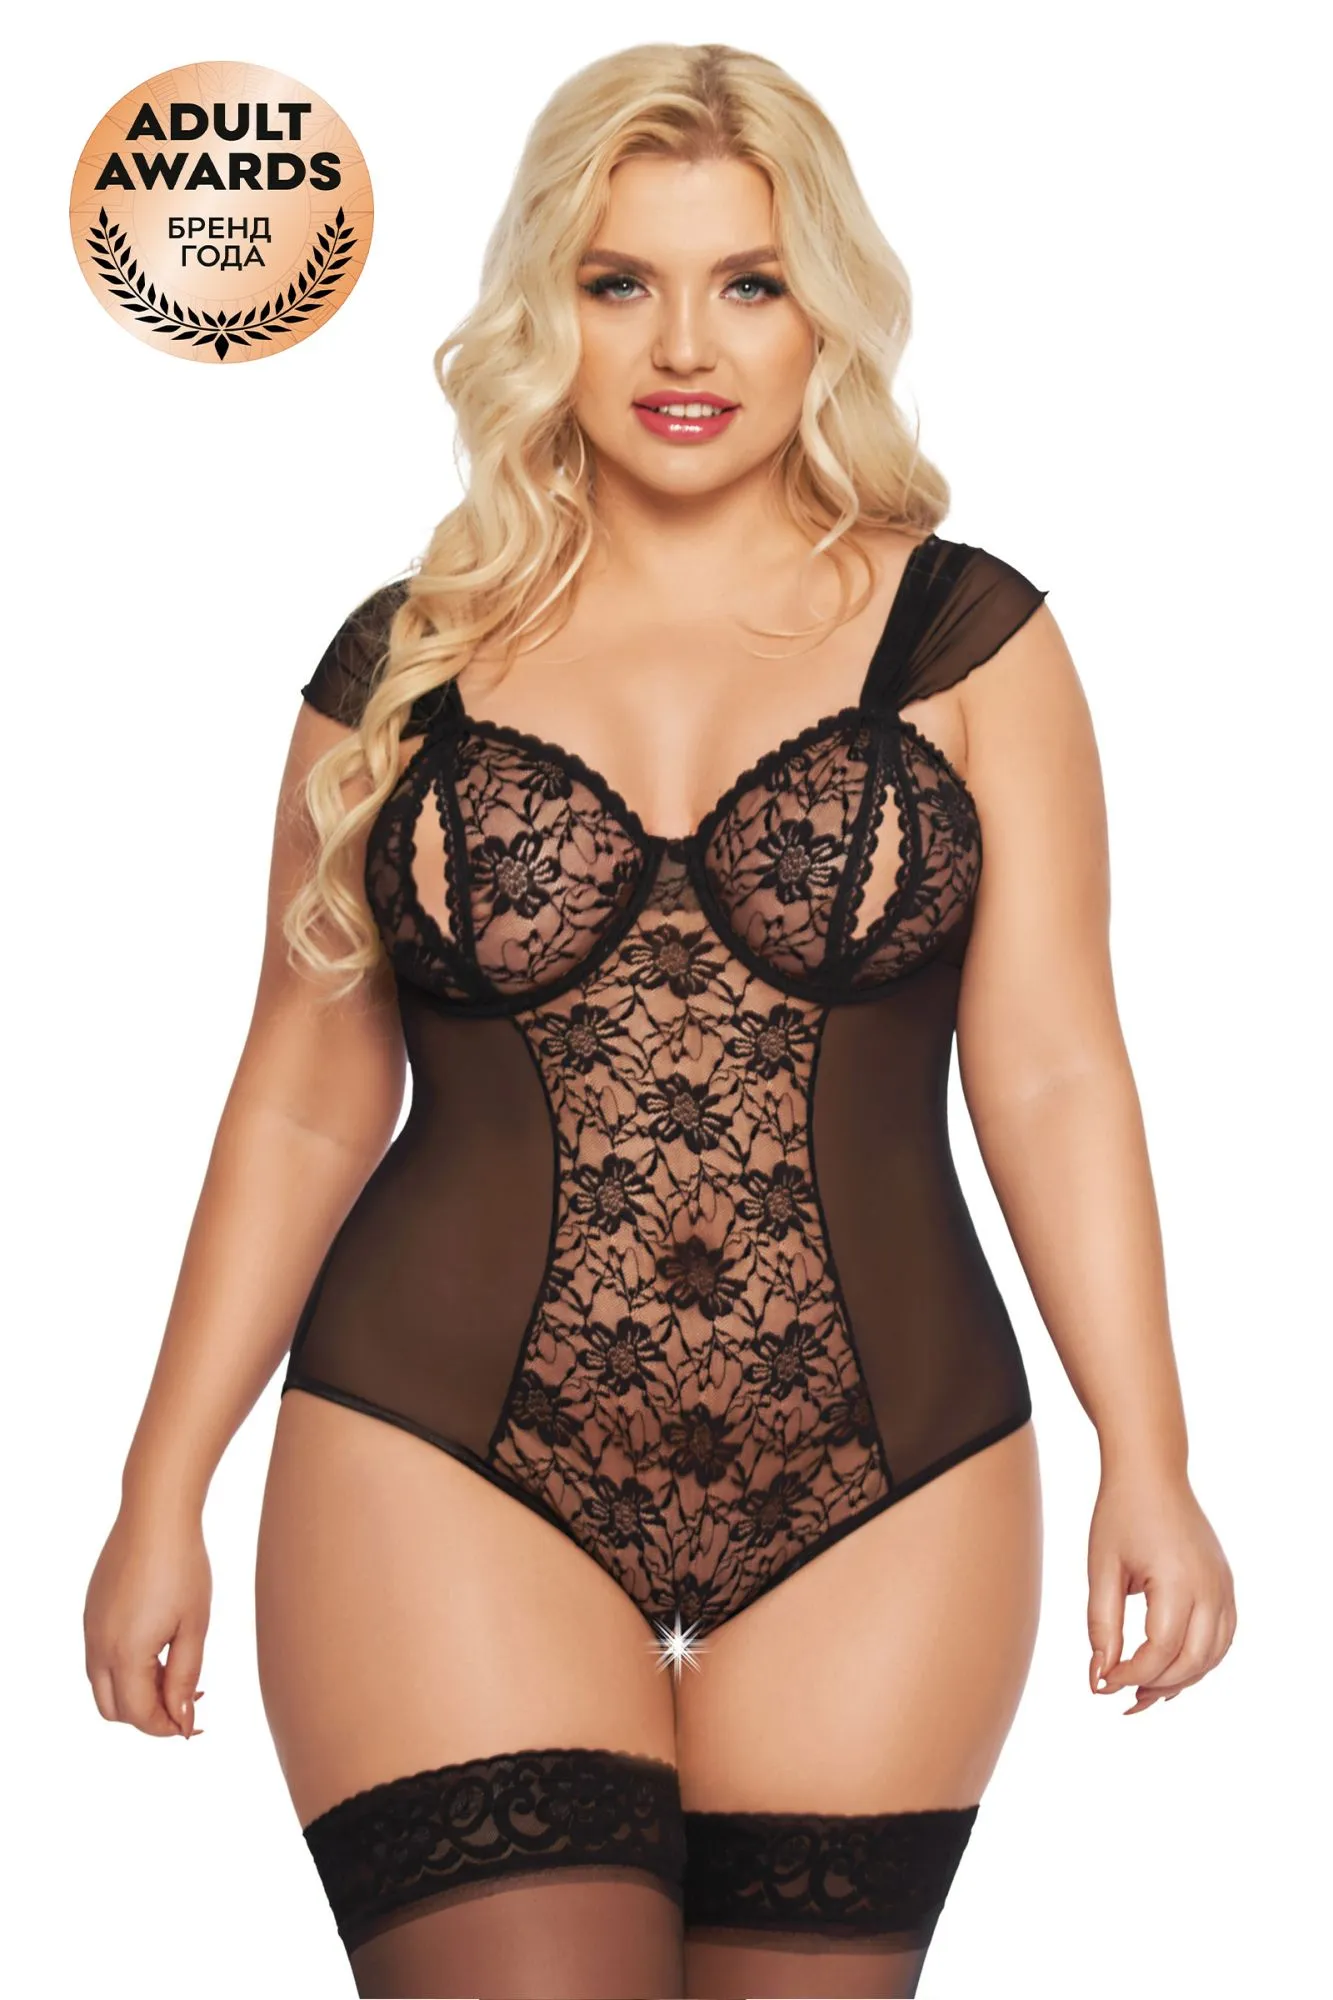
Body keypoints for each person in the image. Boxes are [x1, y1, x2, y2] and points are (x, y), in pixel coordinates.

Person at [82, 41, 1237, 2000]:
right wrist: (156, 1487)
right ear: (548, 307)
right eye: (619, 281)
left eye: (748, 282)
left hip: (893, 1469)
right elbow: (302, 1096)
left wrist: (1157, 1449)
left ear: (824, 312)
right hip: (437, 1444)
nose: (683, 343)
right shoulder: (406, 664)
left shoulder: (973, 640)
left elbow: (1051, 1068)